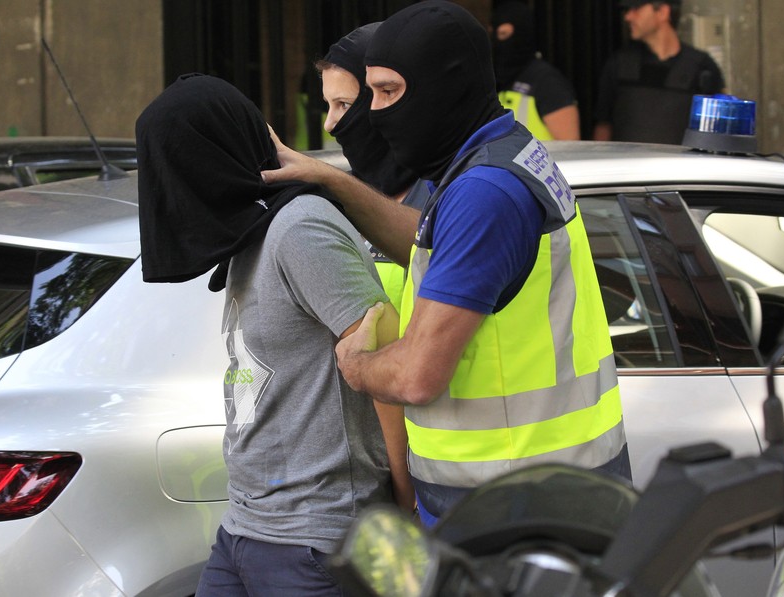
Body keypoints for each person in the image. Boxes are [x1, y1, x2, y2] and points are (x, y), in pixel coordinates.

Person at [262, 0, 631, 527]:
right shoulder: (500, 154)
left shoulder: (483, 192)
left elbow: (415, 376)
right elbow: (428, 244)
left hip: (516, 511)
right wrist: (332, 180)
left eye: (388, 92)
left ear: (444, 83)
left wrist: (355, 363)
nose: (377, 112)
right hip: (533, 494)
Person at [135, 73, 413, 596]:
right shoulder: (249, 234)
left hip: (316, 537)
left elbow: (383, 353)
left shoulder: (300, 227)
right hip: (246, 525)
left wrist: (405, 499)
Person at [316, 21, 425, 311]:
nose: (329, 124)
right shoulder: (336, 199)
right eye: (328, 104)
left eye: (344, 104)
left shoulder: (449, 195)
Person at [593, 0, 725, 144]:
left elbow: (721, 128)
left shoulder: (702, 67)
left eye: (636, 9)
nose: (628, 17)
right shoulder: (619, 64)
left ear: (662, 12)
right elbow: (603, 127)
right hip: (626, 165)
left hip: (683, 166)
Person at [491, 0, 580, 140]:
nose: (497, 42)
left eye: (504, 34)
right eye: (494, 35)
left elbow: (570, 147)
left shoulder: (548, 82)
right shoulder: (496, 81)